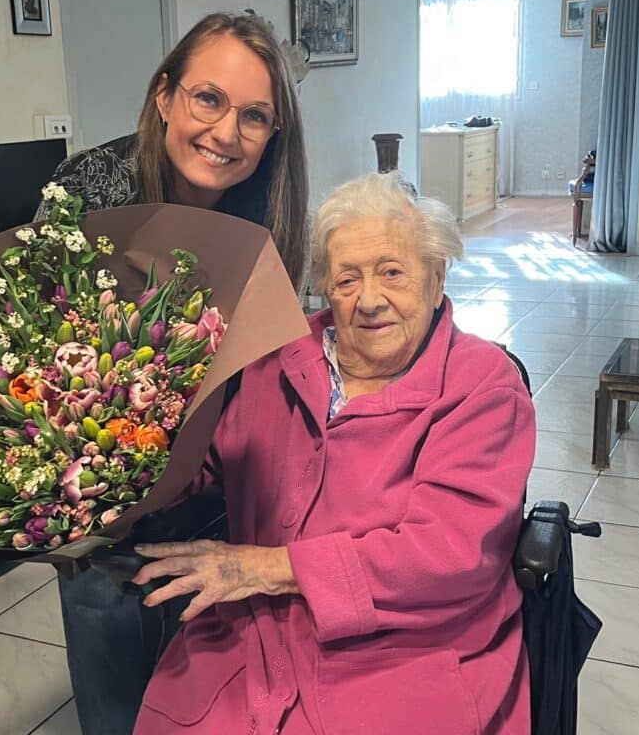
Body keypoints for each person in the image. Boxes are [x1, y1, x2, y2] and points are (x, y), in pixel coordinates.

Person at [133, 172, 535, 734]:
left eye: (392, 272)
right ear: (324, 288)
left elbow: (447, 555)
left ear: (436, 277)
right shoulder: (276, 357)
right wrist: (117, 473)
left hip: (408, 652)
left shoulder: (481, 385)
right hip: (254, 633)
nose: (369, 300)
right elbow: (214, 457)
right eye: (347, 279)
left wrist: (264, 567)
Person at [34, 12, 310, 735]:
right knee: (115, 670)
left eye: (254, 116)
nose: (226, 133)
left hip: (221, 486)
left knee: (214, 691)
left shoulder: (269, 207)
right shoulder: (92, 187)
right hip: (102, 492)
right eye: (208, 99)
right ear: (164, 95)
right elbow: (40, 347)